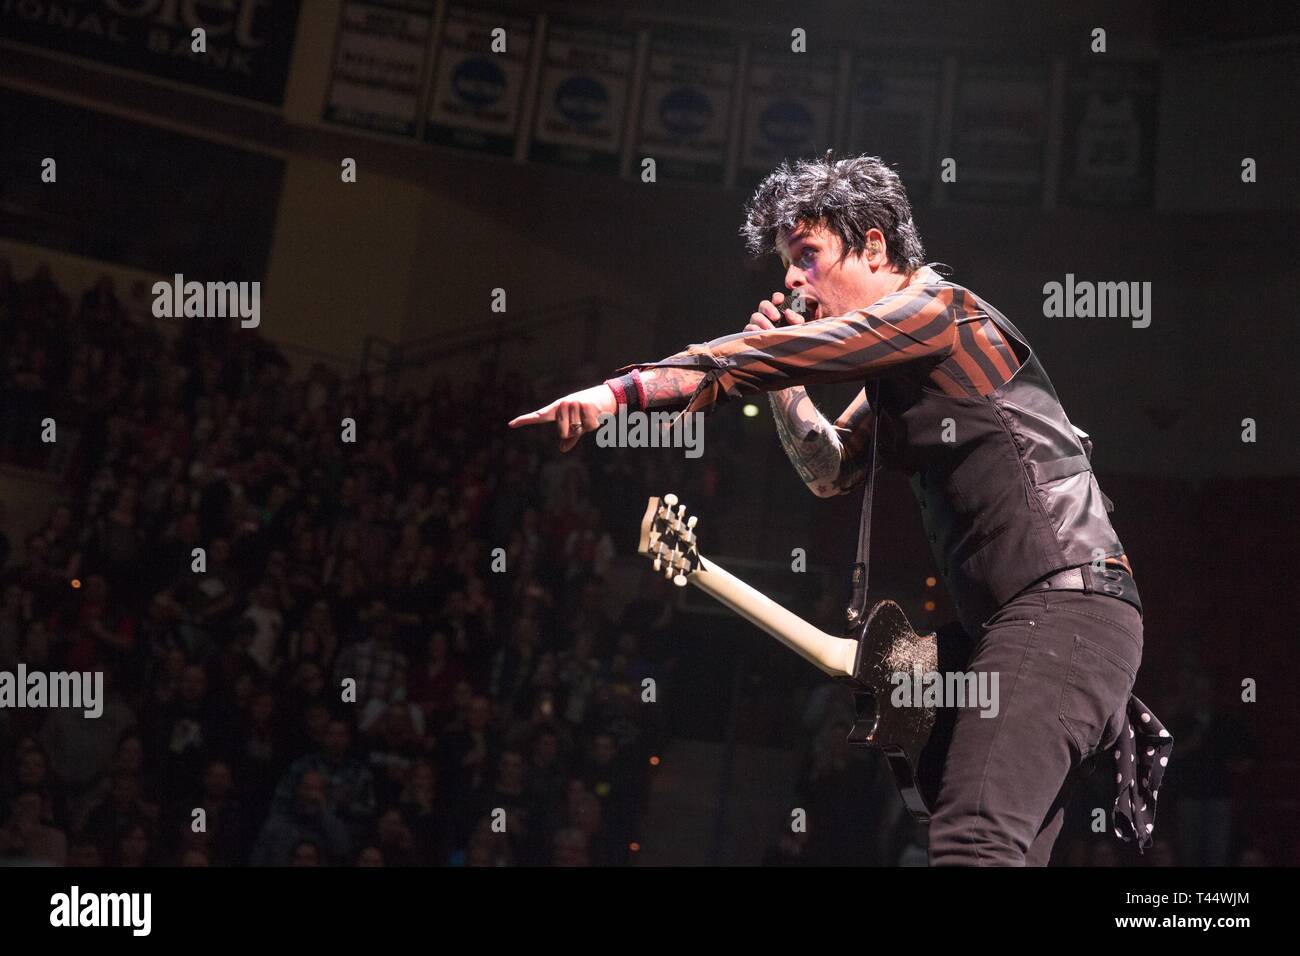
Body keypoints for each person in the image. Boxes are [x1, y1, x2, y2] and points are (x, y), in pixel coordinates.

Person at [509, 152, 1164, 867]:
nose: (789, 279)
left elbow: (779, 359)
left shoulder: (938, 313)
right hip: (1048, 625)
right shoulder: (907, 362)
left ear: (874, 245)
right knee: (995, 852)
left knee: (974, 843)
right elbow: (828, 471)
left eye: (807, 255)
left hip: (1060, 615)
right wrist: (786, 389)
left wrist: (619, 393)